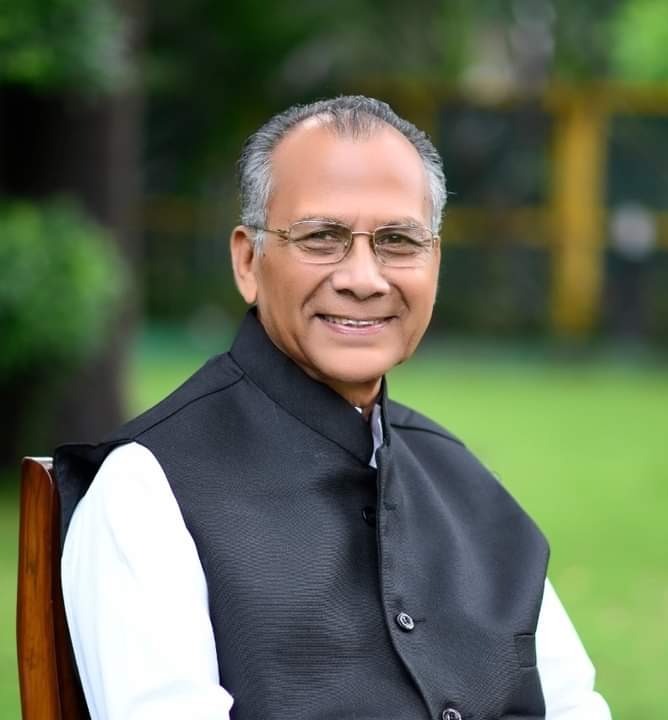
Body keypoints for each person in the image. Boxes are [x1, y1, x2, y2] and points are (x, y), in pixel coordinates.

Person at [56, 96, 611, 720]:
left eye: (398, 241)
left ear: (434, 262)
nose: (364, 278)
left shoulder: (467, 486)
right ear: (248, 261)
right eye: (322, 237)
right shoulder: (147, 492)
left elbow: (575, 706)